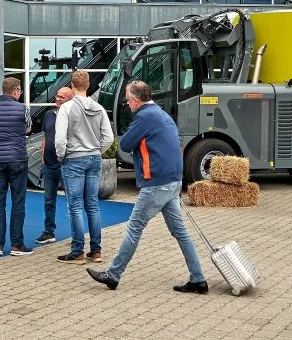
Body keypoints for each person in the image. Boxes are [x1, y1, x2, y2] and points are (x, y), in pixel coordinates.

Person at [87, 81, 207, 293]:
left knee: (134, 227)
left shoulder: (145, 116)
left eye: (127, 99)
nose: (127, 104)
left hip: (156, 183)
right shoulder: (161, 114)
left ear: (135, 100)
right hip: (171, 181)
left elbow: (124, 144)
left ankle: (113, 275)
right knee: (180, 233)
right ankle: (198, 279)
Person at [54, 70, 114, 264]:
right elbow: (109, 138)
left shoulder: (66, 109)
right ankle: (96, 251)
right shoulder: (99, 108)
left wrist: (62, 156)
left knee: (76, 206)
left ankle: (77, 251)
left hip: (74, 159)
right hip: (94, 158)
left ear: (72, 86)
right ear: (88, 86)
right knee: (93, 205)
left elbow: (60, 140)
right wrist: (97, 150)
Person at [0, 76, 34, 256]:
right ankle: (16, 246)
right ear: (15, 91)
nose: (20, 94)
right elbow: (27, 129)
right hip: (17, 159)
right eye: (19, 91)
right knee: (18, 202)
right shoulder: (22, 109)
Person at [36, 86, 75, 244]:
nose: (57, 99)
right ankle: (48, 232)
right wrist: (43, 157)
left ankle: (76, 235)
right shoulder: (49, 115)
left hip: (66, 165)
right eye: (57, 96)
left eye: (62, 97)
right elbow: (46, 136)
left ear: (70, 100)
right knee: (48, 200)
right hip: (49, 164)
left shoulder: (73, 116)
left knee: (72, 201)